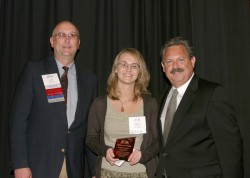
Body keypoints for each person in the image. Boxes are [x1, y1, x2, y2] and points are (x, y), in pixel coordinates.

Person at [9, 21, 97, 178]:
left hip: (73, 168)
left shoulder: (90, 80)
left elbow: (91, 131)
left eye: (72, 36)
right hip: (38, 166)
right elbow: (18, 121)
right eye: (62, 35)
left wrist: (95, 171)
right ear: (52, 41)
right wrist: (20, 164)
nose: (67, 40)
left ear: (78, 44)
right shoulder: (34, 71)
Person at [156, 37, 243, 178]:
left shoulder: (212, 94)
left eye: (180, 59)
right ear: (163, 66)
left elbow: (230, 149)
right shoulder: (161, 98)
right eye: (169, 61)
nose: (175, 66)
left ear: (192, 61)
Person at [86, 48, 159, 178]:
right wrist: (105, 150)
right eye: (123, 64)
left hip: (140, 173)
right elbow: (90, 138)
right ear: (116, 69)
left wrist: (144, 154)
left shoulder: (150, 104)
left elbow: (158, 141)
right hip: (107, 173)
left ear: (140, 71)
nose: (128, 69)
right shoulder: (100, 103)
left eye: (134, 66)